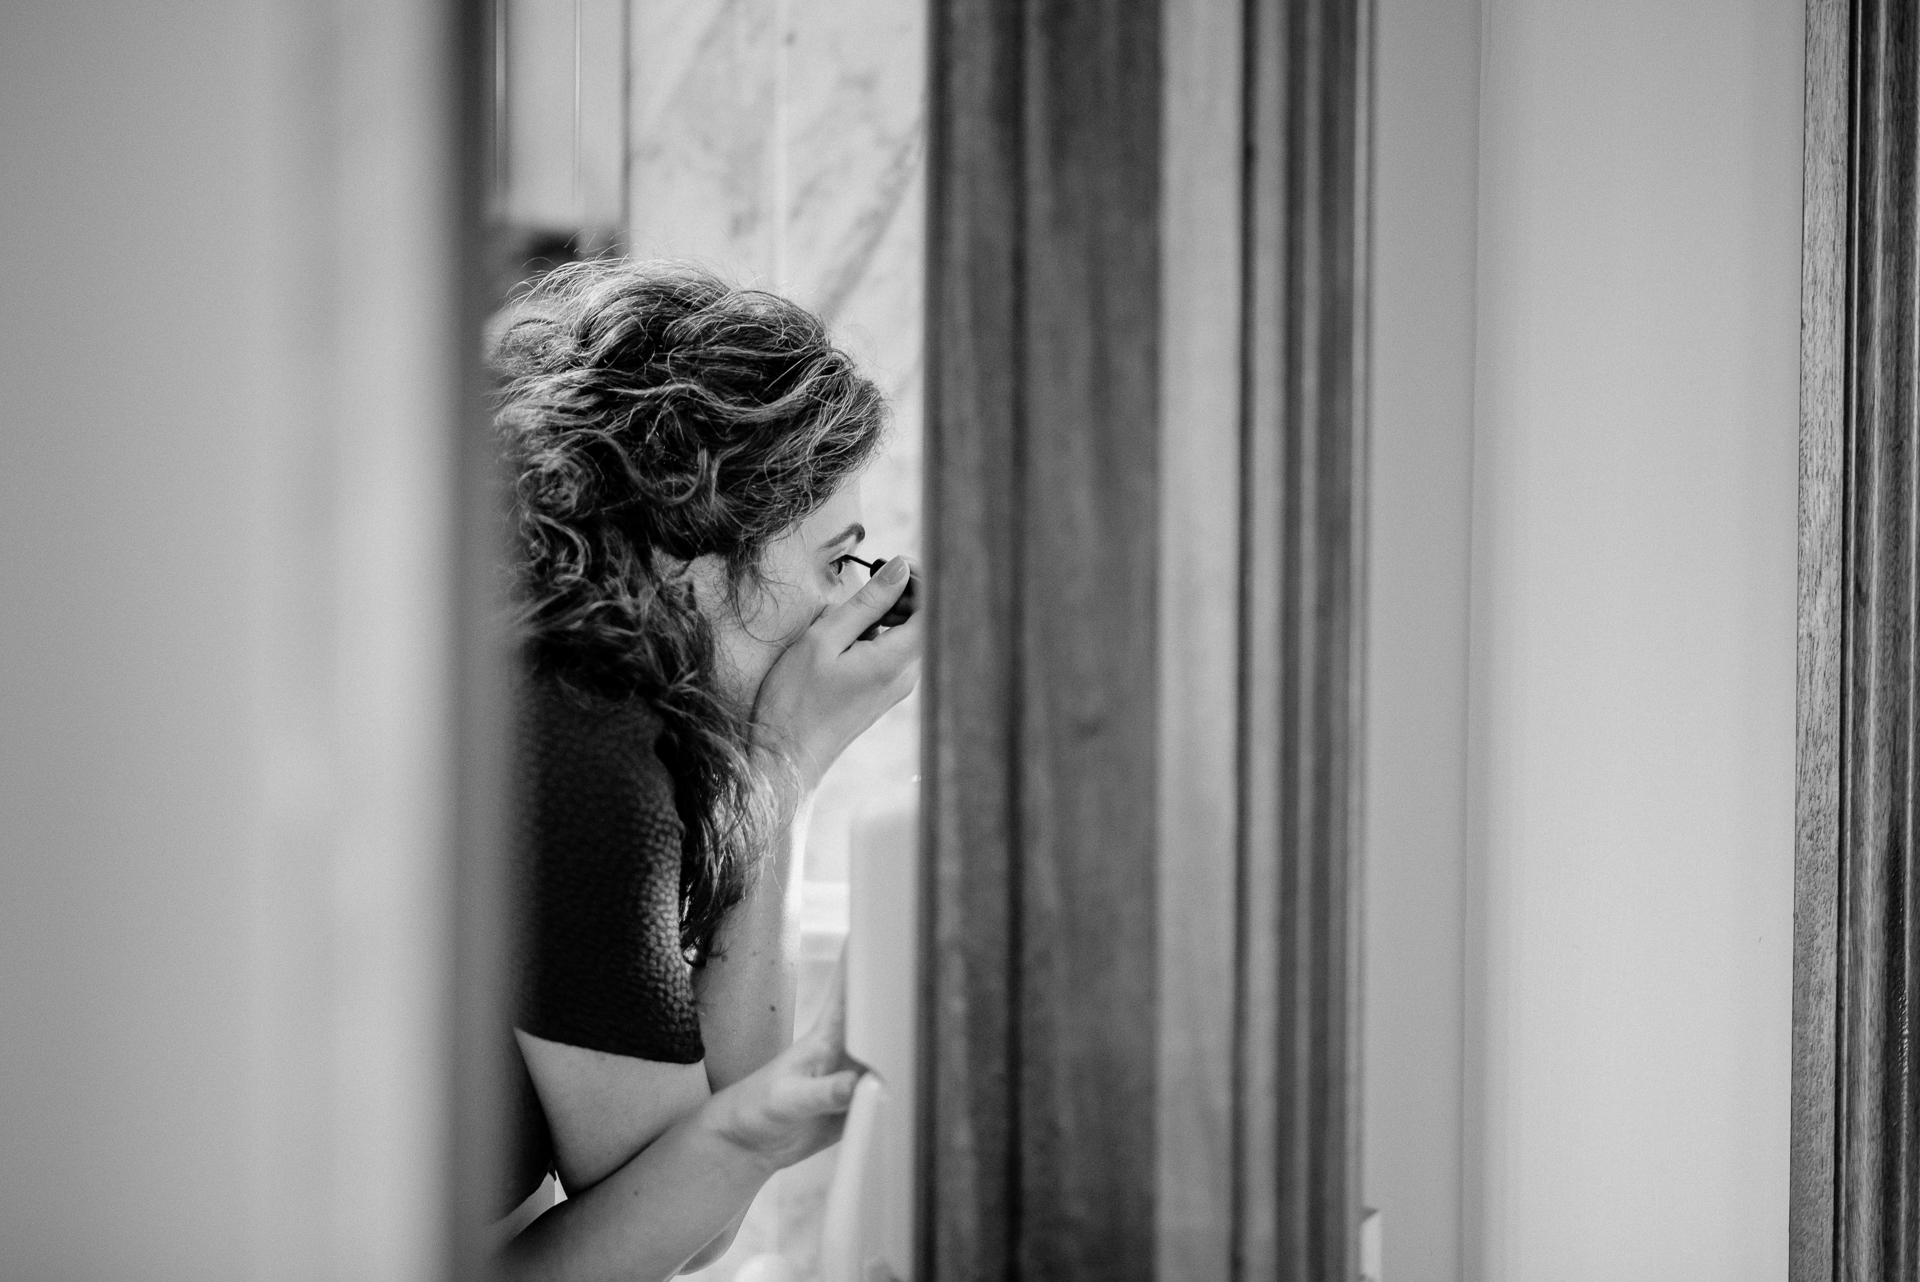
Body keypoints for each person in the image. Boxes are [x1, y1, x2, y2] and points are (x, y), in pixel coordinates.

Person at [489, 261, 920, 1279]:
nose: (845, 607)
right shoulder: (576, 743)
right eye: (835, 561)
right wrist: (783, 758)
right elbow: (684, 1228)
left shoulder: (540, 698)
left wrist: (779, 765)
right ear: (686, 554)